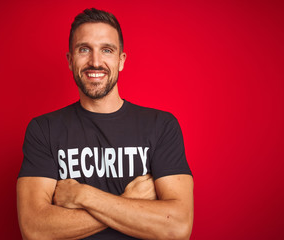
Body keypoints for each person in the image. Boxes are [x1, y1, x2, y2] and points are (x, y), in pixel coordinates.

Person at [17, 8, 193, 240]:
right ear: (70, 61)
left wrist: (83, 196)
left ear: (121, 61)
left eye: (107, 50)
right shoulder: (43, 130)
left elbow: (177, 228)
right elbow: (35, 229)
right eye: (84, 49)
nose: (95, 62)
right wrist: (129, 203)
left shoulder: (162, 126)